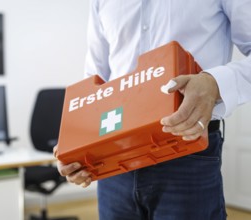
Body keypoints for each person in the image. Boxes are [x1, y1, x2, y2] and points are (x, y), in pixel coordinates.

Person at [55, 1, 251, 219]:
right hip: (114, 158)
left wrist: (214, 83)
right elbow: (94, 79)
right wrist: (78, 149)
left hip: (187, 148)